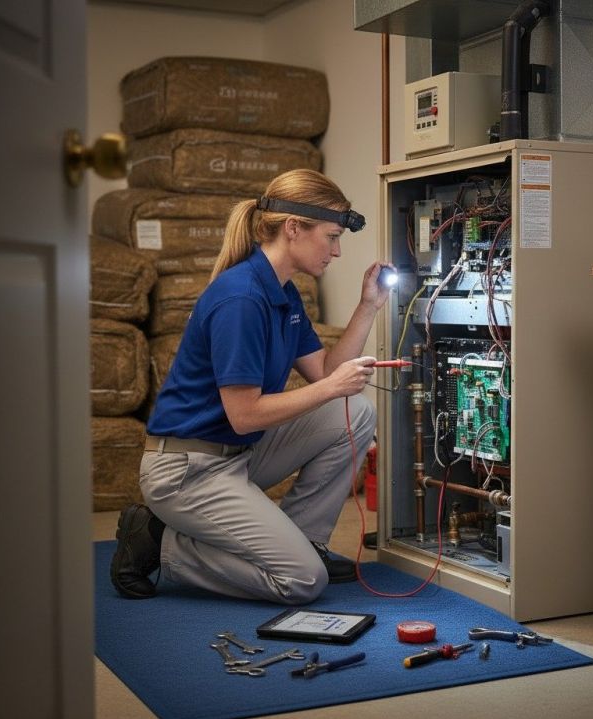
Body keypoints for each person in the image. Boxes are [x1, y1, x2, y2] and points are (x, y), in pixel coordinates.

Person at [110, 168, 393, 605]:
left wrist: (368, 306)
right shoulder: (241, 298)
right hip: (187, 470)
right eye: (332, 237)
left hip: (237, 456)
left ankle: (305, 543)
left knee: (354, 412)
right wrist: (333, 385)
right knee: (302, 582)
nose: (337, 252)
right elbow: (244, 416)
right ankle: (158, 541)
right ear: (294, 228)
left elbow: (323, 371)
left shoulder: (282, 291)